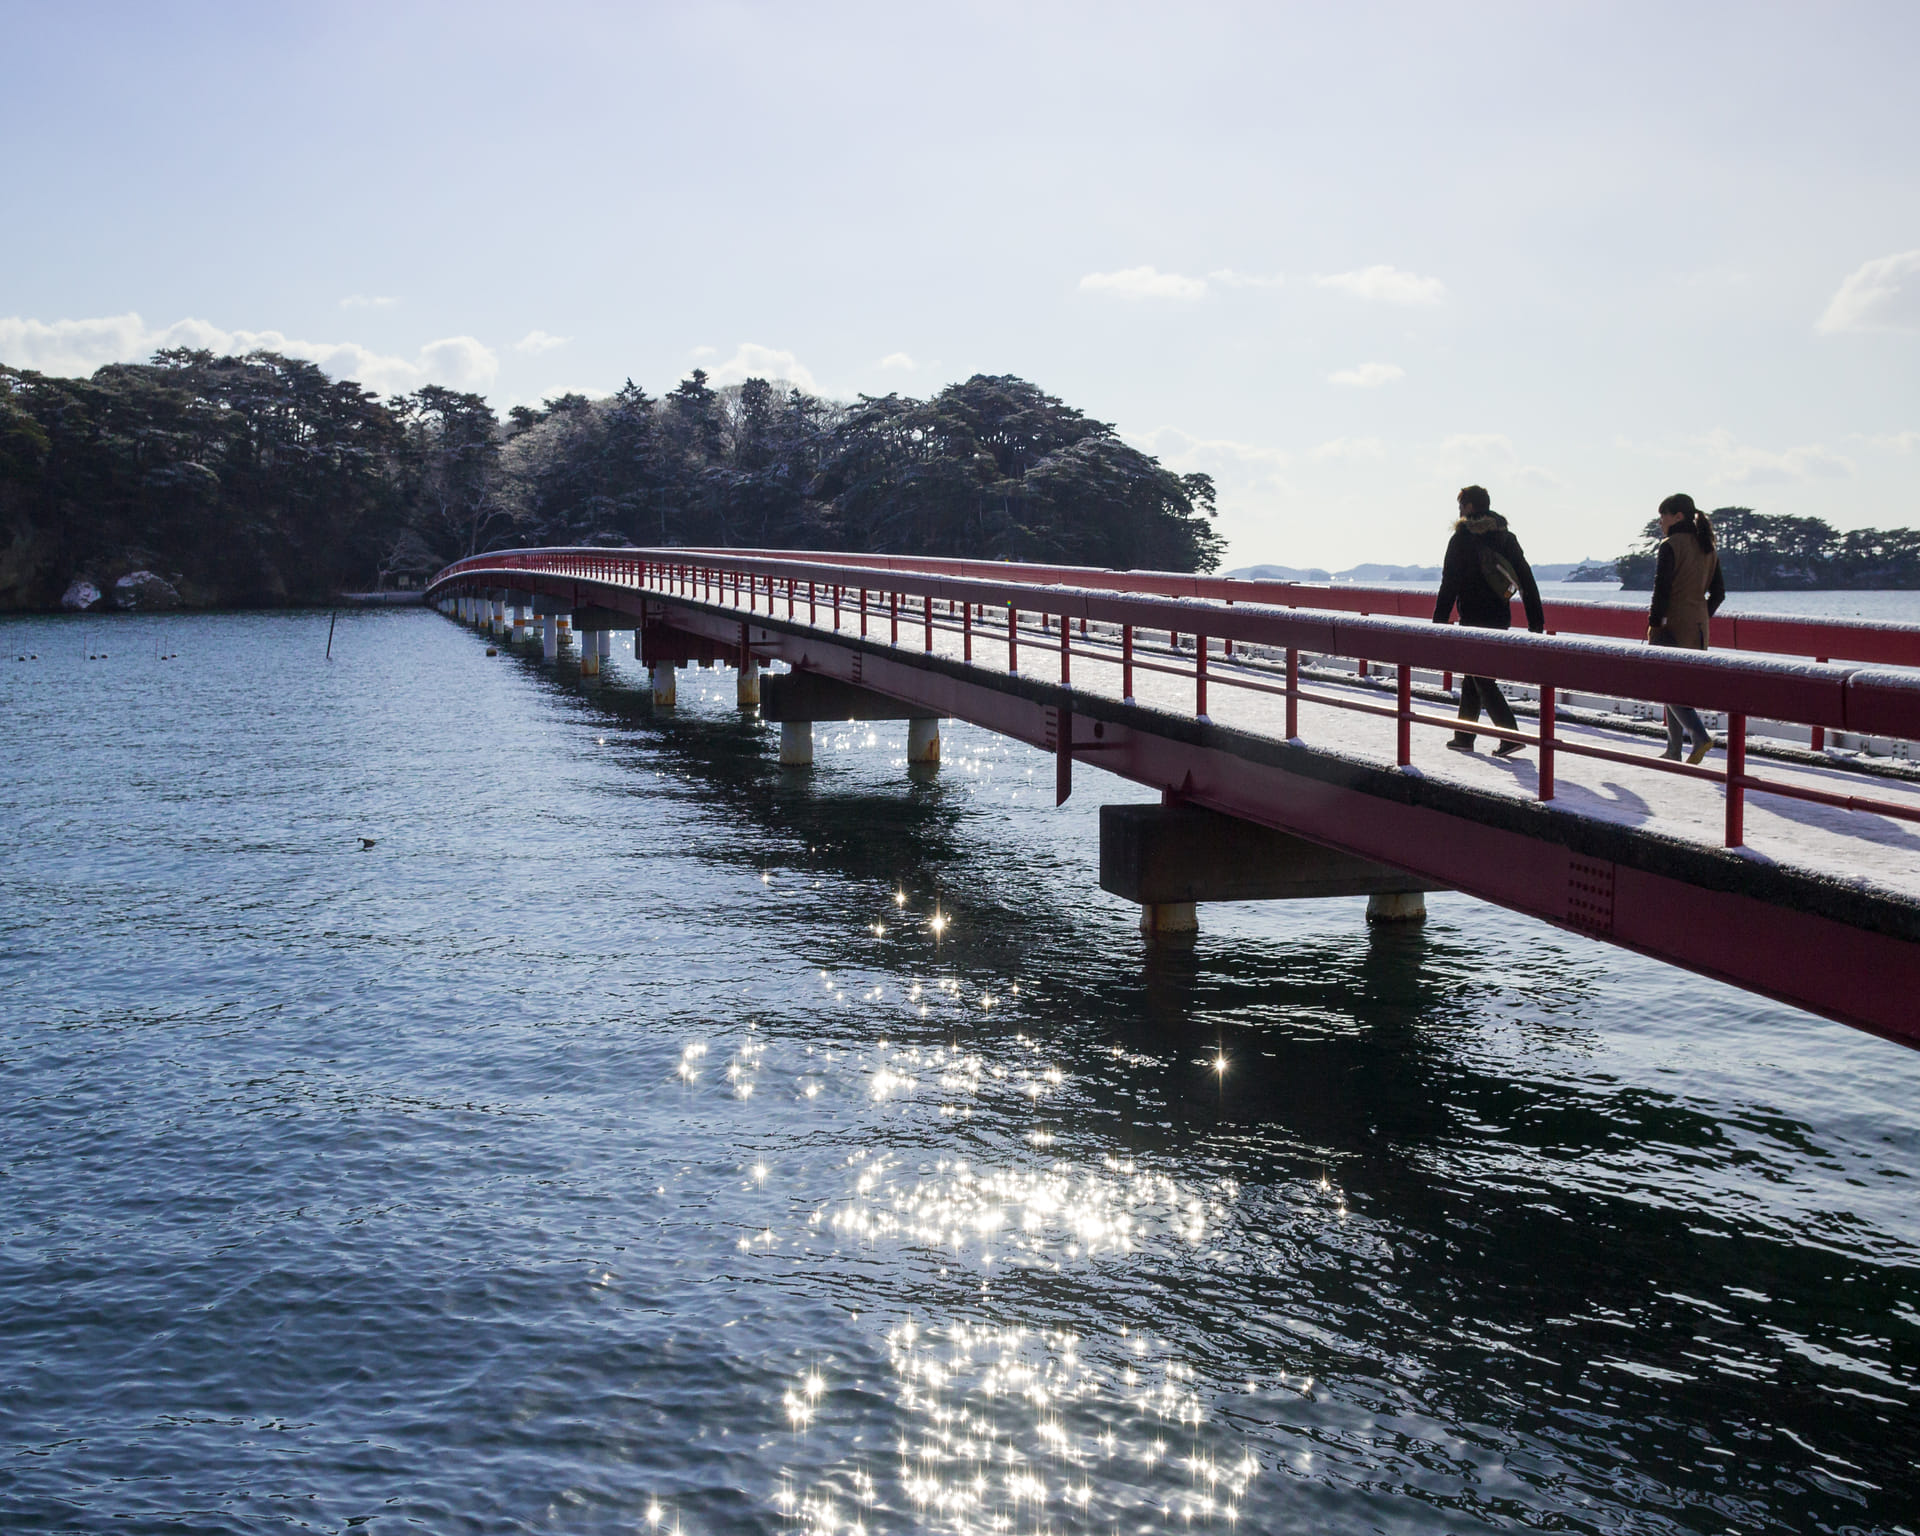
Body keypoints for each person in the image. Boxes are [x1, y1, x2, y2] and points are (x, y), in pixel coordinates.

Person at [1432, 485, 1545, 755]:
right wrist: (1536, 620)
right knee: (1474, 675)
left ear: (1469, 507)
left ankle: (1509, 735)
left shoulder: (1461, 539)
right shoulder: (1506, 538)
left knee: (1481, 677)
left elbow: (1449, 584)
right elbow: (1526, 580)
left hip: (1471, 617)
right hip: (1499, 617)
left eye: (1461, 507)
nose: (1459, 512)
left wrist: (1437, 623)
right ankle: (1464, 735)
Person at [1647, 492, 1726, 764]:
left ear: (1677, 516)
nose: (1660, 522)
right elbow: (1718, 594)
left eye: (1663, 516)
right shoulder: (1708, 546)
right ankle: (1674, 748)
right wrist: (1701, 615)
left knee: (1664, 684)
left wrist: (1655, 623)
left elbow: (1662, 590)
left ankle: (1698, 736)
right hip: (1698, 627)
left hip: (1671, 625)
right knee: (1676, 686)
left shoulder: (1671, 545)